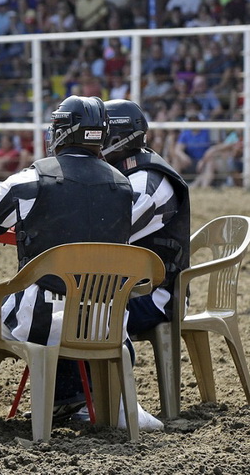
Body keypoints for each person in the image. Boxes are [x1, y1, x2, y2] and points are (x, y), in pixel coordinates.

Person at [0, 96, 135, 436]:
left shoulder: (32, 178)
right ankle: (108, 405)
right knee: (71, 301)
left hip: (40, 322)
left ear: (61, 133)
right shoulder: (125, 186)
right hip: (105, 324)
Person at [102, 100, 190, 347]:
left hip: (155, 298)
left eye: (100, 135)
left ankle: (95, 383)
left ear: (116, 139)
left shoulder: (145, 186)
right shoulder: (133, 170)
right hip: (133, 287)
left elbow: (101, 235)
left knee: (68, 317)